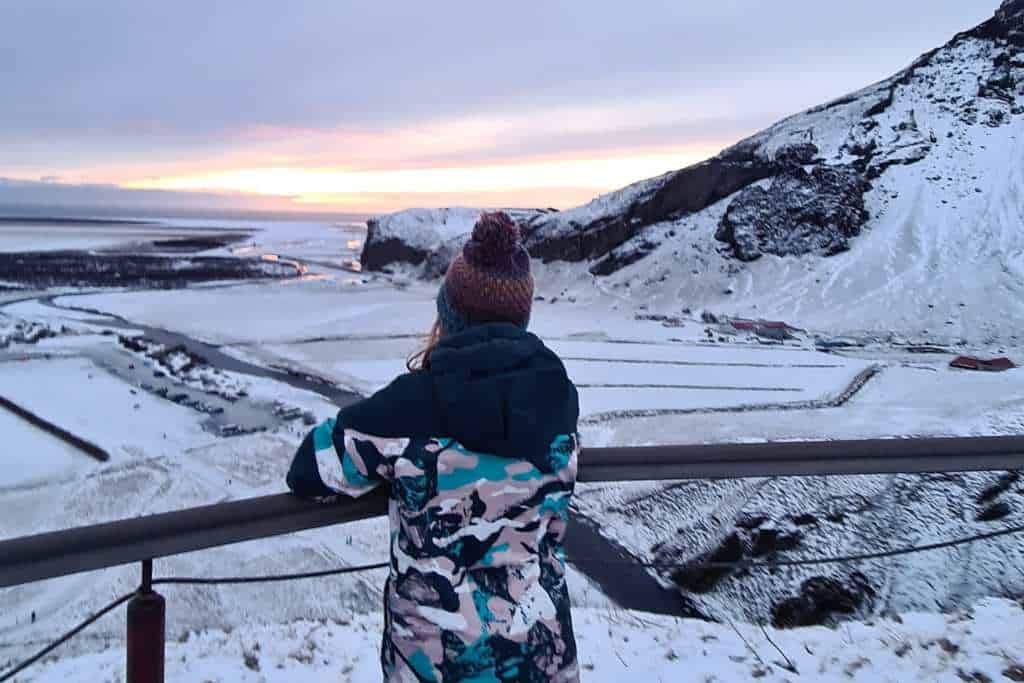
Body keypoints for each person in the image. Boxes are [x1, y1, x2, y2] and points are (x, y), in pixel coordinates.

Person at [287, 211, 581, 682]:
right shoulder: (558, 397)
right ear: (522, 318)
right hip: (542, 659)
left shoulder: (409, 407)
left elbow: (310, 468)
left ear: (449, 314)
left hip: (436, 666)